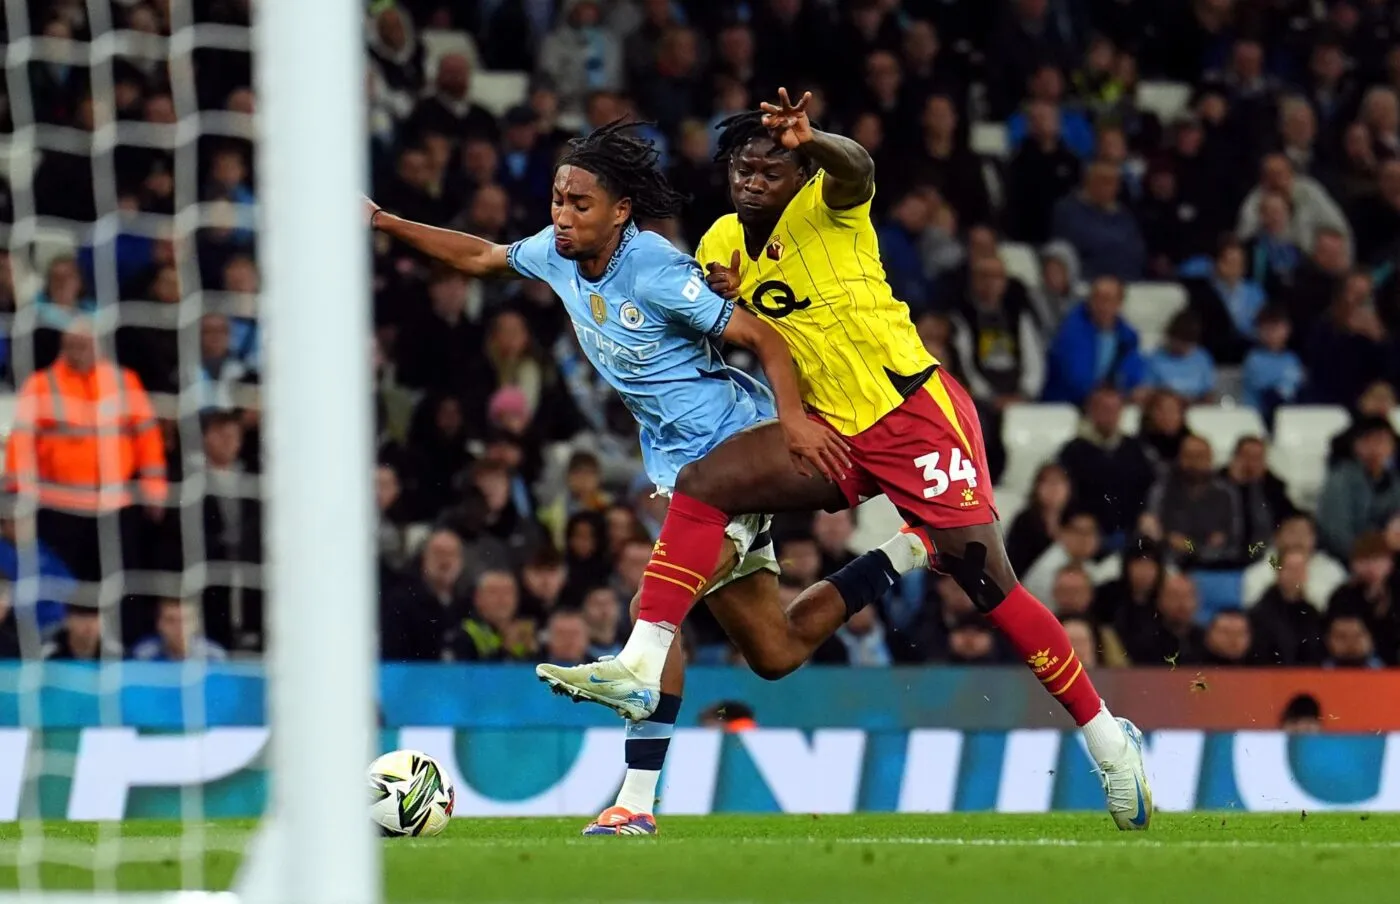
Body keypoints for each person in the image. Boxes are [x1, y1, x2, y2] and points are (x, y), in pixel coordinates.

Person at [537, 91, 1151, 833]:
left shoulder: (834, 206)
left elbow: (856, 167)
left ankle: (1109, 743)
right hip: (825, 430)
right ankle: (644, 657)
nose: (754, 179)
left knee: (990, 586)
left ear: (799, 177)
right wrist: (722, 298)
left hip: (915, 417)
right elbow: (727, 327)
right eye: (744, 167)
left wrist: (817, 138)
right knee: (705, 484)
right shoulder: (720, 244)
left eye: (771, 168)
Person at [368, 120, 921, 835]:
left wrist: (791, 421)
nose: (562, 216)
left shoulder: (656, 269)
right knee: (775, 653)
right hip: (680, 467)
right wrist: (380, 219)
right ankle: (909, 549)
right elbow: (478, 256)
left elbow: (760, 334)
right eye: (558, 200)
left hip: (732, 454)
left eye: (580, 204)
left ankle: (635, 802)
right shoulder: (556, 254)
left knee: (652, 609)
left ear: (621, 210)